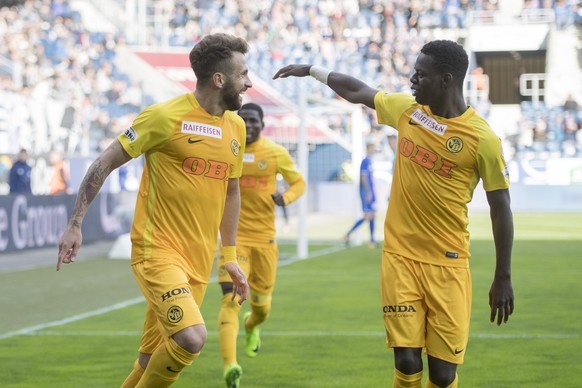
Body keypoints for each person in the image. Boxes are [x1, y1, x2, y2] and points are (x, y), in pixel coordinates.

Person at [273, 39, 514, 388]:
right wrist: (312, 71)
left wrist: (503, 276)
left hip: (448, 264)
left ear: (446, 80)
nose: (412, 81)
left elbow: (501, 208)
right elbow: (358, 90)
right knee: (406, 358)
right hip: (400, 257)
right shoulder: (408, 111)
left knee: (443, 375)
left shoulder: (483, 140)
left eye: (421, 75)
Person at [56, 33, 253, 388]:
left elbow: (232, 190)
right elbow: (104, 163)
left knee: (149, 360)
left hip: (198, 261)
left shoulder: (236, 127)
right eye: (243, 75)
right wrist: (75, 223)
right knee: (191, 338)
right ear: (219, 79)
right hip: (156, 252)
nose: (249, 83)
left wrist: (230, 255)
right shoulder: (164, 117)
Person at [217, 102, 306, 388]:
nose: (250, 124)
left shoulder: (275, 153)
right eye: (244, 119)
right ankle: (231, 366)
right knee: (230, 299)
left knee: (261, 309)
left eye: (254, 120)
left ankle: (251, 326)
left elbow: (299, 183)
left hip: (265, 242)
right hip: (234, 241)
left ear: (262, 124)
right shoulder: (226, 149)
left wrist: (286, 198)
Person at [343, 141, 377, 249]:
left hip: (370, 191)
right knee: (368, 215)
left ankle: (372, 240)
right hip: (365, 192)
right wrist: (368, 192)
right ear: (368, 148)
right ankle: (348, 234)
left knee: (372, 215)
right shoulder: (365, 161)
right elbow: (363, 177)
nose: (374, 150)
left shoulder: (370, 161)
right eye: (372, 148)